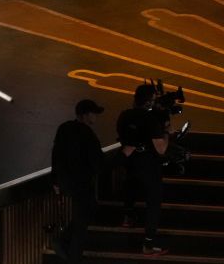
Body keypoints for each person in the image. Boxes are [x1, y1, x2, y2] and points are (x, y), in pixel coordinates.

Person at [117, 84, 170, 256]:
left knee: (130, 188)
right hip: (149, 166)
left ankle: (128, 218)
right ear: (150, 101)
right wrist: (167, 132)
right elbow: (161, 149)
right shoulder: (151, 120)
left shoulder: (124, 116)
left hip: (129, 162)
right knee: (153, 203)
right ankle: (148, 243)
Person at [50, 99, 105, 263]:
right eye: (94, 113)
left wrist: (55, 181)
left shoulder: (64, 128)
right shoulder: (88, 135)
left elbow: (56, 155)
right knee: (82, 225)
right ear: (87, 115)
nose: (95, 117)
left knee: (84, 215)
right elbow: (98, 162)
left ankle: (62, 241)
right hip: (82, 184)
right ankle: (71, 255)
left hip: (66, 182)